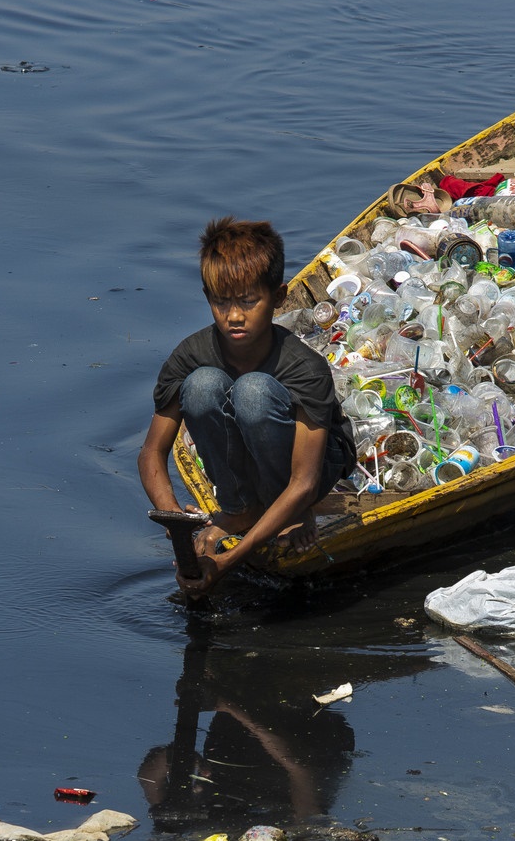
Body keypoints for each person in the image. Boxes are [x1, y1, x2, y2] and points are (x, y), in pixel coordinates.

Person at [139, 217, 355, 594]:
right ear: (208, 298)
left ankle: (279, 511)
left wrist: (228, 560)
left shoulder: (304, 367)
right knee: (202, 385)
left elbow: (304, 482)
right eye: (221, 302)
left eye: (249, 301)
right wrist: (177, 526)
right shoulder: (189, 355)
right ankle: (240, 507)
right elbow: (151, 453)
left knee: (253, 392)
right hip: (251, 449)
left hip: (313, 469)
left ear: (280, 298)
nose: (234, 316)